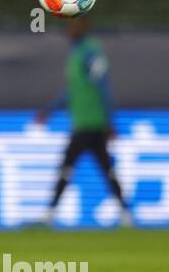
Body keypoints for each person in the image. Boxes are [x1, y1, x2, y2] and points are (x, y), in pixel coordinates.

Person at [34, 16, 132, 227]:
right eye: (71, 26)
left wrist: (109, 121)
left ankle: (49, 215)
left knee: (68, 166)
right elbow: (72, 92)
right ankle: (126, 214)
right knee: (106, 169)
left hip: (92, 123)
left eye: (76, 26)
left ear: (85, 28)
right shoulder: (77, 53)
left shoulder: (91, 52)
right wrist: (49, 111)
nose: (72, 30)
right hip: (83, 123)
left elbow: (103, 86)